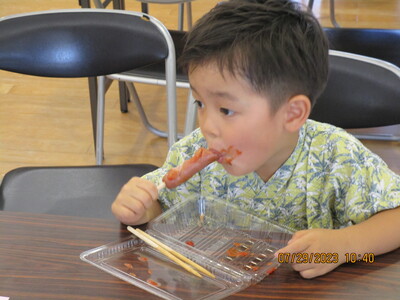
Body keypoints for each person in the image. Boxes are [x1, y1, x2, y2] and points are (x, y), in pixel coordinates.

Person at [112, 0, 400, 279]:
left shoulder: (336, 156)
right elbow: (165, 209)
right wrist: (143, 208)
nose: (208, 127)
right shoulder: (193, 150)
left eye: (226, 110)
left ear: (292, 113)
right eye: (199, 104)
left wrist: (343, 247)